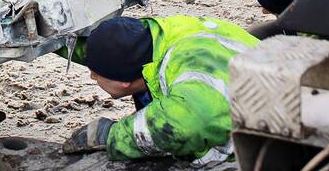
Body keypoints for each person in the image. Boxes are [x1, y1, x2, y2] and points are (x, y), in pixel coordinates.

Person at [61, 14, 257, 166]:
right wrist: (51, 41)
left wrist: (111, 135)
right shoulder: (153, 39)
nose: (91, 76)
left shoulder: (192, 85)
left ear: (124, 83)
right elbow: (102, 52)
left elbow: (183, 123)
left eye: (95, 73)